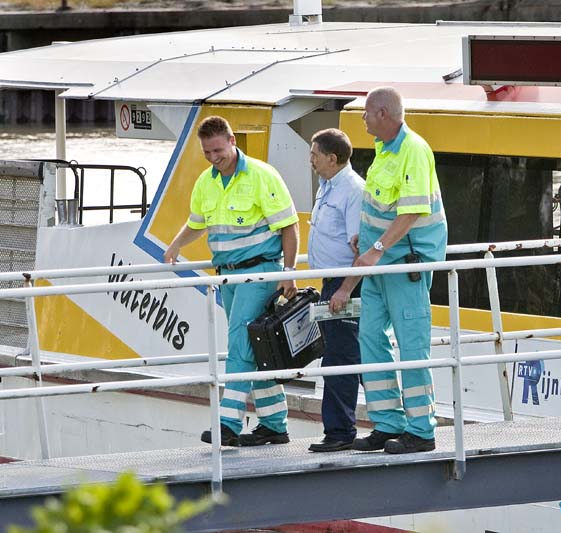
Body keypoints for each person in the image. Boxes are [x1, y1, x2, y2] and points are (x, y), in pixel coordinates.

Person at [164, 115, 299, 447]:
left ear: (232, 141)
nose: (213, 158)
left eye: (217, 150)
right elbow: (198, 223)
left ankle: (227, 424)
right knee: (256, 347)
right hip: (227, 277)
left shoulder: (262, 176)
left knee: (240, 345)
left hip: (259, 272)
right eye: (207, 153)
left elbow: (289, 227)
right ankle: (274, 425)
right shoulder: (205, 182)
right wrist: (177, 243)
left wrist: (288, 274)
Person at [352, 86, 447, 454]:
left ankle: (421, 430)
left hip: (403, 264)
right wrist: (368, 241)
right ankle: (387, 423)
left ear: (383, 115)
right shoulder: (384, 150)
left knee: (412, 348)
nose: (362, 119)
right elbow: (384, 208)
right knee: (371, 338)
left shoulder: (413, 150)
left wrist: (375, 249)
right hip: (380, 264)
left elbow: (412, 211)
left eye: (366, 113)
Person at [306, 128, 365, 453]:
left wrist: (344, 289)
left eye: (315, 154)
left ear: (332, 157)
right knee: (342, 356)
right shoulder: (327, 186)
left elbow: (361, 248)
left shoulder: (352, 190)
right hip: (332, 284)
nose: (311, 160)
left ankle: (341, 432)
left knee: (341, 358)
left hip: (346, 285)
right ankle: (344, 428)